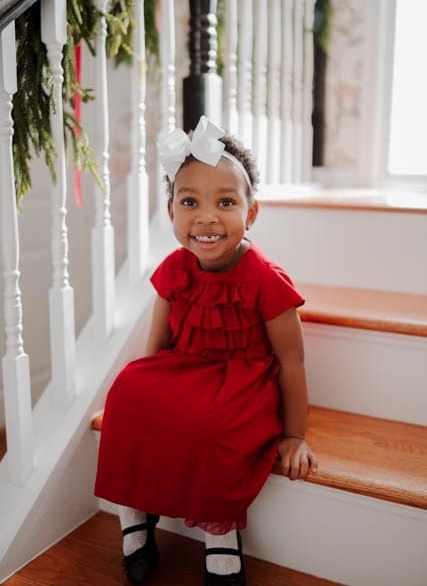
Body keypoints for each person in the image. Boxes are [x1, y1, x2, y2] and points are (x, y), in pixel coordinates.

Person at [94, 116, 318, 586]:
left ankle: (220, 532)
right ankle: (135, 514)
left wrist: (294, 435)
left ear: (250, 213)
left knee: (213, 426)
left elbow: (292, 362)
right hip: (184, 367)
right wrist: (142, 384)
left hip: (241, 377)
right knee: (126, 396)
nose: (207, 217)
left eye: (226, 202)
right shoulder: (176, 269)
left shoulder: (264, 280)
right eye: (190, 201)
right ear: (172, 210)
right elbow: (157, 346)